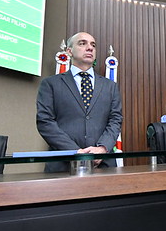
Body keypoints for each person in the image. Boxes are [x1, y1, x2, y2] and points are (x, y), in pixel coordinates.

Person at [36, 31, 123, 172]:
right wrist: (75, 151)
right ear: (69, 51)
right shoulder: (50, 84)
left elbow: (115, 119)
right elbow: (45, 122)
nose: (90, 48)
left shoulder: (110, 86)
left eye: (93, 45)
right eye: (82, 43)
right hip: (62, 163)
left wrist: (102, 148)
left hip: (103, 164)